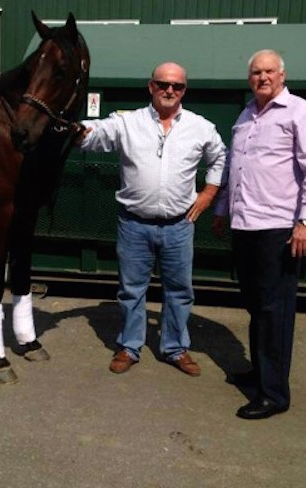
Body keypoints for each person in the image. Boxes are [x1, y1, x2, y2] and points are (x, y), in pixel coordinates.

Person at [77, 62, 227, 376]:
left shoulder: (200, 127)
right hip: (134, 224)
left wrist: (209, 194)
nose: (170, 91)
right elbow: (95, 134)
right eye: (163, 84)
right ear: (151, 86)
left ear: (185, 90)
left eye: (177, 86)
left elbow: (220, 157)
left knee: (180, 291)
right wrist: (73, 129)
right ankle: (130, 346)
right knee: (132, 290)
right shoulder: (127, 123)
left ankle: (174, 348)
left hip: (179, 226)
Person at [213, 49, 306, 419]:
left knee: (273, 310)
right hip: (245, 224)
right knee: (255, 304)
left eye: (269, 71)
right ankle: (261, 373)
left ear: (282, 75)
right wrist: (221, 209)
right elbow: (235, 166)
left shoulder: (301, 113)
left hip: (279, 227)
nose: (262, 77)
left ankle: (274, 395)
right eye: (255, 72)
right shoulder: (246, 114)